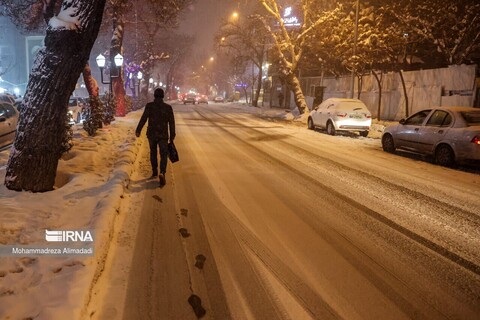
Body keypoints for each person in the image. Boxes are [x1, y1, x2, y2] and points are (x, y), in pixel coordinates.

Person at [135, 88, 175, 186]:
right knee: (163, 154)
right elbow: (171, 123)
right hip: (163, 135)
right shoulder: (168, 108)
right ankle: (162, 172)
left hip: (152, 134)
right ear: (163, 96)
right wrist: (172, 135)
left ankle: (154, 170)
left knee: (153, 152)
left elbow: (143, 118)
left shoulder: (149, 106)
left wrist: (138, 130)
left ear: (154, 95)